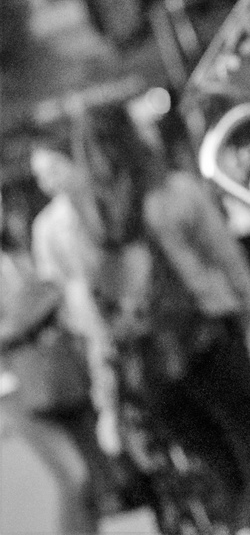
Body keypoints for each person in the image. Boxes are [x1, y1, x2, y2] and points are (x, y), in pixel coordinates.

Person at [30, 112, 250, 535]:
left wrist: (108, 399)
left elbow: (94, 319)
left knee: (222, 472)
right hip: (205, 336)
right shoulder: (175, 192)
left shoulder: (79, 223)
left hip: (144, 362)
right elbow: (231, 265)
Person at [0, 182, 111, 534]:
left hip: (55, 370)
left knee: (96, 479)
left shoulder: (17, 254)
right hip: (13, 388)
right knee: (74, 477)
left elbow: (52, 291)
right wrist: (28, 316)